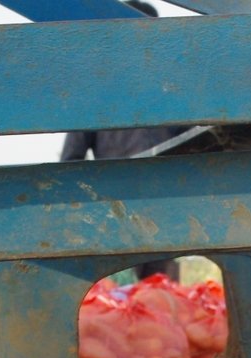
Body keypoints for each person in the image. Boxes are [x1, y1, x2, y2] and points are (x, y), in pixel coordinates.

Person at [59, 0, 184, 281]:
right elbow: (71, 160)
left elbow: (198, 145)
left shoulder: (173, 90)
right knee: (123, 294)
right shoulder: (96, 92)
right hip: (116, 209)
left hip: (164, 209)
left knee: (158, 299)